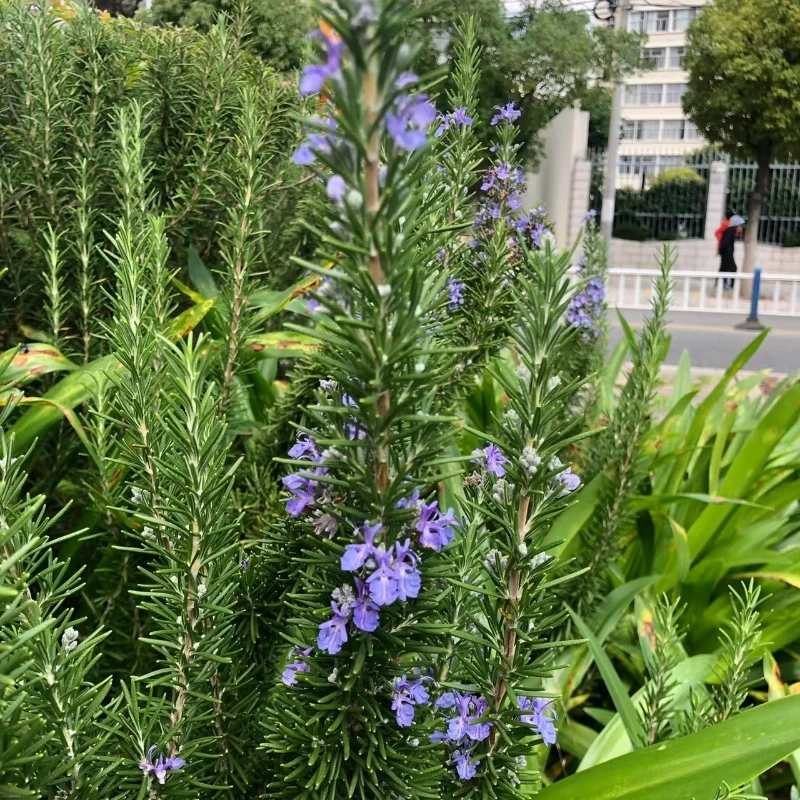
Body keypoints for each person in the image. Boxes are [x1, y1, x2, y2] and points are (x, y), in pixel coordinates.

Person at [719, 214, 745, 290]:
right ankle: (729, 285)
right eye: (740, 225)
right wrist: (724, 251)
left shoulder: (731, 230)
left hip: (726, 253)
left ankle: (724, 284)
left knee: (724, 269)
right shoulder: (731, 230)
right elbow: (725, 242)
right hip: (727, 253)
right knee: (733, 268)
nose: (741, 227)